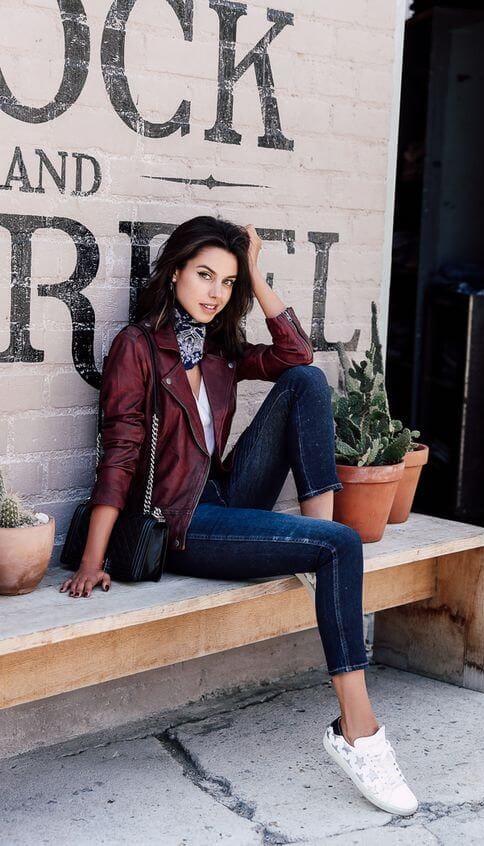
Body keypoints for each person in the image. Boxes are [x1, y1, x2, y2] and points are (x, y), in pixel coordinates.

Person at [59, 215, 418, 816]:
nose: (214, 292)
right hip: (181, 522)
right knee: (342, 546)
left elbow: (296, 352)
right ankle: (358, 732)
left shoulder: (221, 349)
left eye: (226, 283)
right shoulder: (137, 347)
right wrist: (94, 559)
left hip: (224, 498)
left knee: (304, 378)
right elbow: (119, 455)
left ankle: (315, 535)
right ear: (174, 273)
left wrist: (255, 268)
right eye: (204, 275)